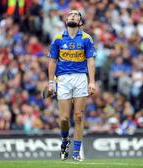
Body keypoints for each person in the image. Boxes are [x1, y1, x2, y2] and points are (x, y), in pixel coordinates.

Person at [48, 10, 96, 161]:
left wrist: (92, 81)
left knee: (79, 116)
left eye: (76, 15)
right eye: (70, 14)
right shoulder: (58, 39)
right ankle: (64, 140)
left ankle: (76, 152)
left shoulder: (87, 39)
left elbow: (90, 61)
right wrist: (51, 82)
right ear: (66, 19)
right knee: (63, 119)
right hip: (62, 79)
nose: (73, 16)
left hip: (81, 78)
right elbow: (52, 61)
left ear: (80, 21)